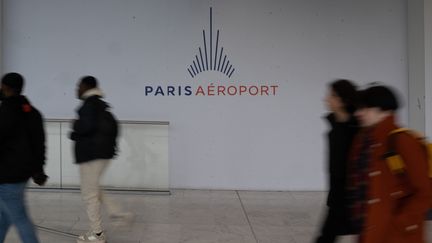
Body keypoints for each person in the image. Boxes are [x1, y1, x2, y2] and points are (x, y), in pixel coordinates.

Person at [348, 85, 432, 243]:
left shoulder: (403, 141)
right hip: (369, 229)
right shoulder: (363, 140)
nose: (358, 113)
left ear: (382, 109)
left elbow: (425, 191)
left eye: (365, 108)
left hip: (395, 235)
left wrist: (401, 223)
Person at [70, 76, 132, 243]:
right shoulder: (100, 105)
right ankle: (117, 212)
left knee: (89, 194)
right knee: (94, 187)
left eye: (79, 86)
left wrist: (74, 126)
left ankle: (97, 234)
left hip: (91, 155)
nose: (77, 89)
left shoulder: (89, 105)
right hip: (102, 153)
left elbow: (86, 127)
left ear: (87, 87)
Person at [0, 72, 47, 243]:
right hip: (22, 174)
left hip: (6, 175)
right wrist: (39, 169)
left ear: (5, 87)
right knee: (4, 217)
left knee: (20, 219)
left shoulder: (6, 111)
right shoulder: (32, 112)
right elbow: (39, 145)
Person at [315, 79, 358, 243]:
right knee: (327, 235)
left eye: (331, 95)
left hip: (353, 195)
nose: (326, 99)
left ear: (343, 100)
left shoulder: (356, 129)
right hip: (337, 194)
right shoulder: (335, 124)